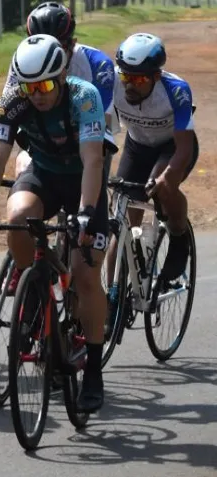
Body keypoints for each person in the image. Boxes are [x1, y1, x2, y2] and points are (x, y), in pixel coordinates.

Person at [0, 35, 109, 412]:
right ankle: (35, 292)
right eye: (30, 87)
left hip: (84, 180)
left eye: (46, 85)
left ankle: (93, 372)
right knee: (17, 217)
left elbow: (94, 159)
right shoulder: (13, 99)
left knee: (85, 276)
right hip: (44, 175)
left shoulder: (84, 96)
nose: (39, 94)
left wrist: (85, 210)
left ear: (62, 74)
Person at [0, 1, 116, 295]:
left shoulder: (97, 66)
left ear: (72, 42)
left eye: (61, 45)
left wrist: (87, 204)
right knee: (23, 169)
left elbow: (98, 142)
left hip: (86, 142)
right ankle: (34, 271)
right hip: (42, 144)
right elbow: (2, 127)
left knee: (87, 183)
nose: (51, 51)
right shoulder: (26, 63)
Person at [107, 33, 197, 295]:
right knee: (121, 220)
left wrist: (166, 177)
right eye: (126, 76)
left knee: (164, 187)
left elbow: (184, 148)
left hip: (172, 148)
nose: (129, 85)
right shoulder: (112, 81)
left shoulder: (176, 90)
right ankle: (114, 297)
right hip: (137, 148)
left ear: (156, 76)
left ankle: (179, 237)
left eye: (139, 78)